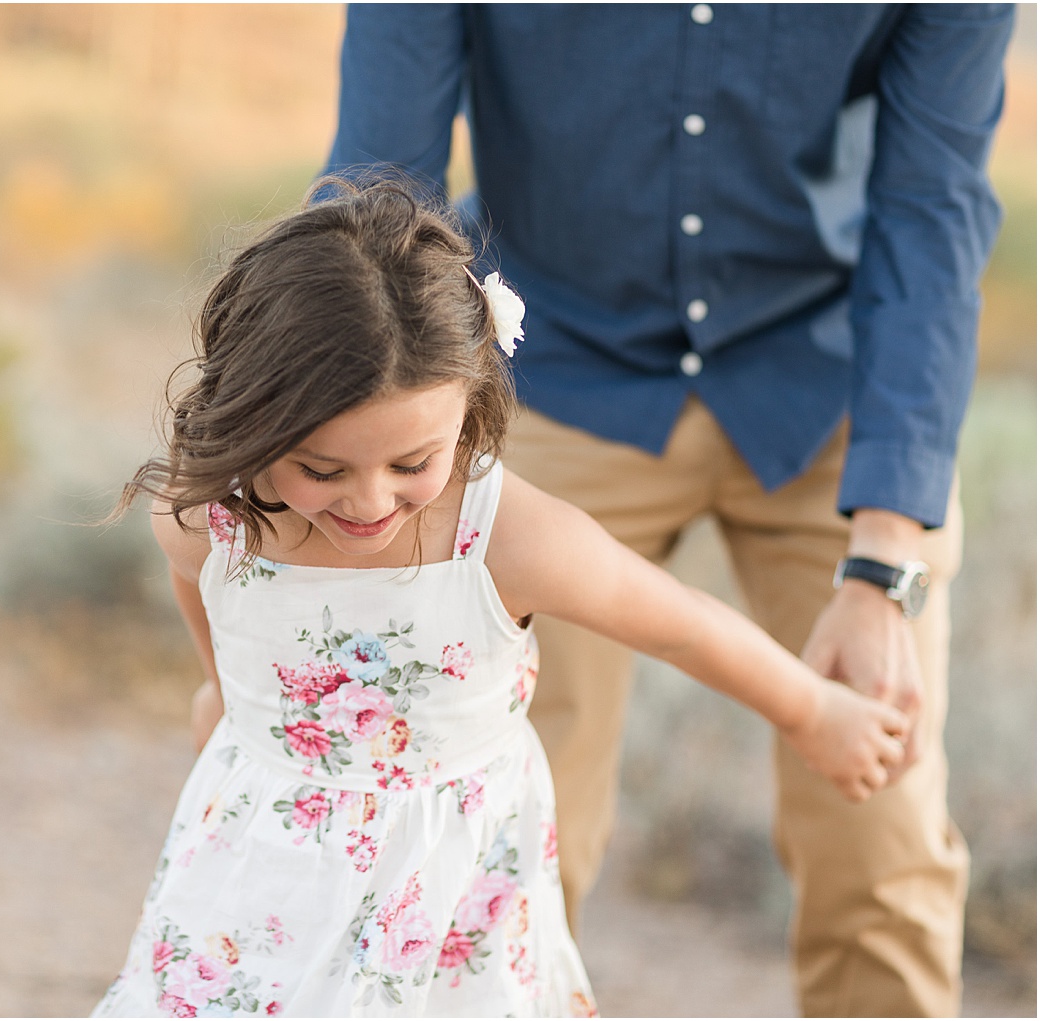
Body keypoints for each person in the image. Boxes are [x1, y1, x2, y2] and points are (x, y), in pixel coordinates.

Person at [320, 5, 1014, 1017]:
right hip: (547, 370)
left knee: (881, 846)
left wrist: (883, 565)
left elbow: (932, 210)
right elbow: (379, 186)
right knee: (488, 828)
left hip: (828, 388)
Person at [94, 180, 909, 1017]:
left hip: (449, 894)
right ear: (251, 417)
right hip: (264, 874)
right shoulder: (205, 519)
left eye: (412, 463)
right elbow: (201, 593)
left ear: (468, 404)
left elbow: (681, 628)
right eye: (322, 470)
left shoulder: (504, 538)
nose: (370, 502)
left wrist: (813, 710)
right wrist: (223, 695)